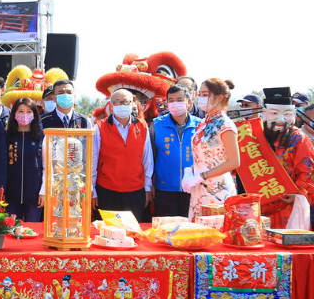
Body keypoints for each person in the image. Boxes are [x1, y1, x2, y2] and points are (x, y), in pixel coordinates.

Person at [255, 88, 314, 229]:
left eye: (287, 114)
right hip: (258, 203)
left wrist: (299, 195)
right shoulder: (253, 136)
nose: (281, 119)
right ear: (264, 113)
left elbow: (308, 170)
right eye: (274, 113)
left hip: (288, 203)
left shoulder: (299, 138)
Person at [92, 88, 153, 220]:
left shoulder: (142, 127)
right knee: (107, 232)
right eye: (117, 102)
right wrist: (92, 189)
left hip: (135, 190)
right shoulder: (99, 127)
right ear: (111, 106)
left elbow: (147, 159)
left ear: (133, 104)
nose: (121, 105)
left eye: (125, 102)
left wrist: (147, 187)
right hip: (107, 189)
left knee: (133, 233)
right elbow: (93, 159)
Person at [184, 78, 240, 219]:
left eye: (205, 94)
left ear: (219, 97)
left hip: (217, 187)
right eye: (200, 94)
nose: (200, 98)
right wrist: (189, 172)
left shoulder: (225, 124)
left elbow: (234, 162)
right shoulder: (203, 123)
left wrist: (202, 176)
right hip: (199, 185)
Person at [150, 84, 199, 217]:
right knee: (166, 229)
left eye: (179, 100)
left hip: (194, 187)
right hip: (165, 188)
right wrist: (149, 184)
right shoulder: (156, 124)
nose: (175, 104)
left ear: (188, 101)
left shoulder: (200, 125)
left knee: (190, 230)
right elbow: (150, 157)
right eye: (171, 100)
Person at [4, 97, 43, 221]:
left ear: (34, 114)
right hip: (11, 193)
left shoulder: (42, 136)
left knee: (33, 229)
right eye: (20, 111)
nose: (24, 115)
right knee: (11, 230)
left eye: (29, 111)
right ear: (14, 114)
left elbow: (47, 166)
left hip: (34, 193)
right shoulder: (6, 135)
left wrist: (44, 191)